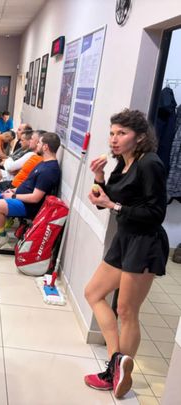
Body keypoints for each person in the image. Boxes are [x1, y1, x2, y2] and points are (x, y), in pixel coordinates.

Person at [84, 109, 169, 399]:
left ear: (140, 137)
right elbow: (106, 200)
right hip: (125, 239)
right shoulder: (123, 161)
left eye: (122, 133)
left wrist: (114, 206)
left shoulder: (150, 164)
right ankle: (117, 363)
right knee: (94, 293)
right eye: (112, 133)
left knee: (127, 310)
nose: (114, 139)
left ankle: (118, 371)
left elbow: (156, 213)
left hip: (145, 243)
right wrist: (98, 178)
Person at [0, 132, 61, 251]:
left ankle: (1, 236)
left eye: (39, 143)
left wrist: (13, 196)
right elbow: (27, 184)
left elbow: (35, 198)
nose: (37, 145)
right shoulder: (43, 163)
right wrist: (13, 190)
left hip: (28, 205)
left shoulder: (49, 170)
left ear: (45, 147)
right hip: (18, 196)